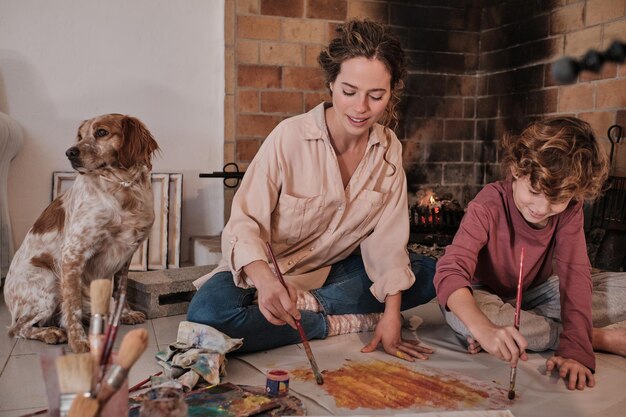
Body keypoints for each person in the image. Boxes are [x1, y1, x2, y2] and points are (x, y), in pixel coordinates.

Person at [188, 19, 436, 361]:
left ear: (392, 91)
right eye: (349, 91)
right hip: (270, 271)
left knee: (430, 273)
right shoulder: (288, 137)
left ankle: (312, 307)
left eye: (376, 95)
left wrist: (392, 315)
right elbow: (243, 224)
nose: (361, 108)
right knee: (209, 315)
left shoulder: (388, 149)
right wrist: (266, 282)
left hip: (333, 272)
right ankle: (333, 323)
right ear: (331, 83)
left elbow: (388, 242)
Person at [434, 117, 626, 391]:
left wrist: (575, 352)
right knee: (465, 320)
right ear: (516, 170)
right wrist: (484, 329)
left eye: (557, 200)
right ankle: (596, 338)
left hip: (537, 292)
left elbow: (574, 276)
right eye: (534, 191)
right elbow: (450, 272)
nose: (541, 207)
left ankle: (541, 329)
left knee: (612, 289)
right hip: (484, 294)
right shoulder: (488, 203)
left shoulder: (570, 209)